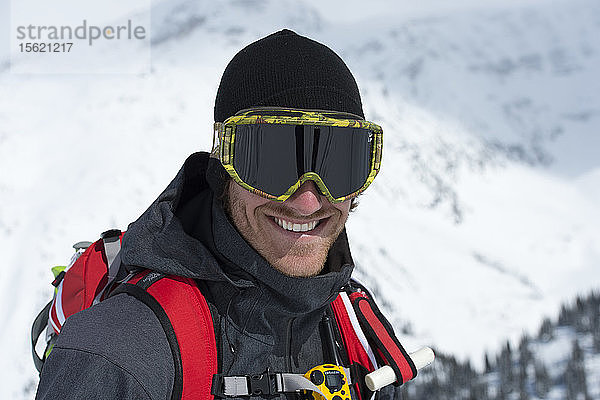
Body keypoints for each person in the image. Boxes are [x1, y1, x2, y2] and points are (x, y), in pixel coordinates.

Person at [35, 29, 401, 399]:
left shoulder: (352, 329)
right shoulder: (120, 355)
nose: (308, 201)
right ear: (222, 167)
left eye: (338, 166)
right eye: (271, 164)